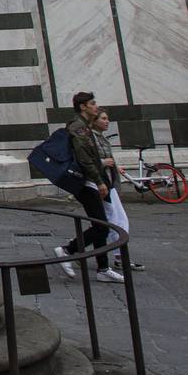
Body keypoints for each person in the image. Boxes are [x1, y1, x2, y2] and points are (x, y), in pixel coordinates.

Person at [55, 91, 120, 283]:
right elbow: (84, 158)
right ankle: (68, 250)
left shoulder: (84, 127)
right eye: (92, 103)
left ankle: (103, 268)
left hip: (92, 180)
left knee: (100, 224)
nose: (95, 106)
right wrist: (99, 181)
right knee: (101, 226)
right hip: (86, 182)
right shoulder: (79, 127)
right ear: (83, 106)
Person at [93, 109, 139, 272]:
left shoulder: (100, 138)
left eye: (108, 119)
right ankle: (72, 248)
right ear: (94, 120)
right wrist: (104, 163)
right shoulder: (91, 138)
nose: (107, 121)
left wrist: (115, 167)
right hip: (101, 184)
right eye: (103, 118)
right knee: (113, 221)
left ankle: (75, 248)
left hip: (108, 183)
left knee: (112, 220)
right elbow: (86, 161)